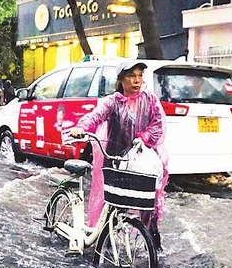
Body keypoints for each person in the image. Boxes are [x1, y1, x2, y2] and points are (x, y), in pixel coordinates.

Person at [69, 60, 168, 248]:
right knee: (112, 203)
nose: (136, 80)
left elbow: (158, 123)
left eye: (140, 75)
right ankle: (104, 243)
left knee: (148, 203)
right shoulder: (112, 102)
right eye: (131, 76)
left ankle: (153, 247)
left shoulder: (150, 99)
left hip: (142, 160)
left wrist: (144, 137)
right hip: (116, 158)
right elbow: (95, 116)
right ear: (121, 79)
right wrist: (81, 127)